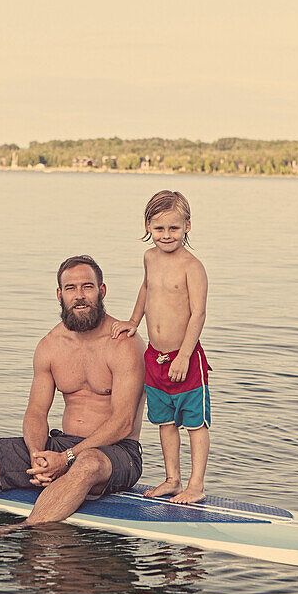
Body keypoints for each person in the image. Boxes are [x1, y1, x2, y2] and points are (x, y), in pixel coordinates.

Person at [0, 255, 146, 534]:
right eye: (71, 289)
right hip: (64, 446)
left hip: (116, 453)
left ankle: (26, 529)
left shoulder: (124, 345)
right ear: (59, 295)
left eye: (87, 287)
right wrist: (36, 454)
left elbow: (124, 422)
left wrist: (67, 457)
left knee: (87, 463)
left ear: (102, 291)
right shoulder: (50, 346)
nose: (79, 296)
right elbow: (35, 412)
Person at [111, 190, 211, 504]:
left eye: (174, 228)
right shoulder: (149, 258)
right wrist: (133, 321)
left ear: (188, 227)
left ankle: (196, 485)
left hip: (185, 357)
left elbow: (199, 313)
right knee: (165, 421)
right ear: (147, 227)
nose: (166, 235)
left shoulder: (192, 266)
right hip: (155, 356)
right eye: (159, 228)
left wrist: (183, 355)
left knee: (195, 423)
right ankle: (173, 478)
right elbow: (147, 287)